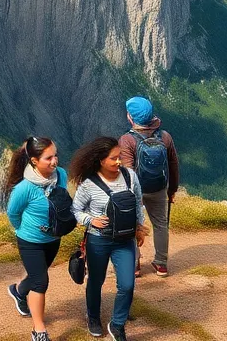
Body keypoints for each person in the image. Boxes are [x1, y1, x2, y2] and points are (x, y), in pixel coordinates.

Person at [71, 137, 146, 341]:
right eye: (113, 158)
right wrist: (90, 220)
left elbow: (138, 203)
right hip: (98, 240)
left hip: (125, 240)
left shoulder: (130, 176)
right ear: (100, 160)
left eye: (119, 156)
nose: (118, 161)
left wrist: (140, 228)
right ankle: (93, 317)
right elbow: (76, 209)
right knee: (96, 280)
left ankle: (117, 324)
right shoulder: (88, 184)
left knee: (127, 284)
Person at [5, 136, 69, 341]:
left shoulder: (61, 175)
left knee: (35, 277)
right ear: (34, 160)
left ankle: (17, 291)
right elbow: (13, 213)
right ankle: (39, 330)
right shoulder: (24, 188)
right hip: (30, 241)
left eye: (55, 155)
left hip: (53, 238)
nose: (54, 161)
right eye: (48, 158)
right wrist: (23, 230)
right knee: (41, 281)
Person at [117, 96, 179, 278]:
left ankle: (134, 265)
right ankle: (161, 264)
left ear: (131, 117)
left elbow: (127, 171)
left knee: (132, 224)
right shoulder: (165, 136)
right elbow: (173, 164)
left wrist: (126, 194)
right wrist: (172, 189)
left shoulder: (127, 140)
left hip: (136, 191)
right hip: (159, 188)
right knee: (160, 224)